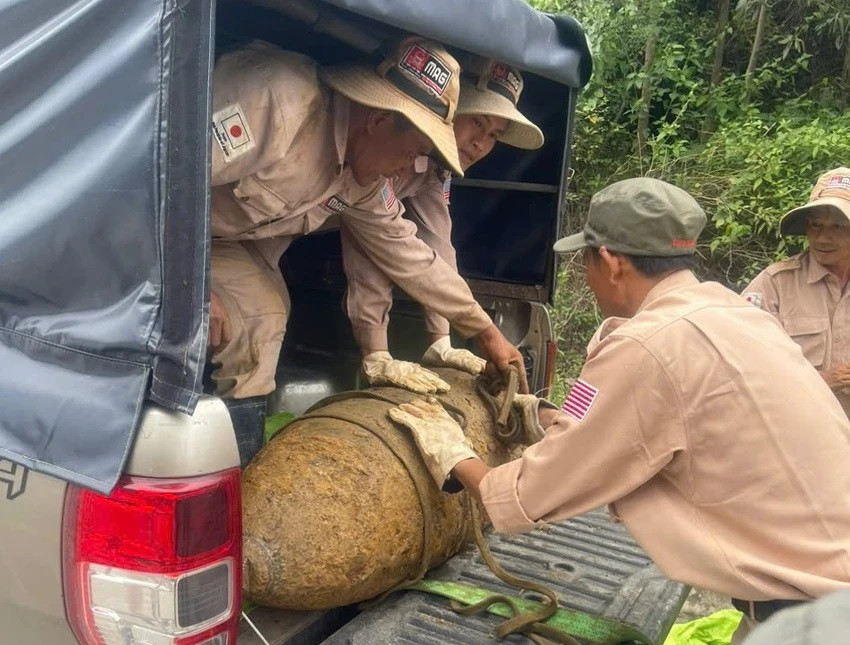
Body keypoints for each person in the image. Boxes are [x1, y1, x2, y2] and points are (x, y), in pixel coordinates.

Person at [387, 178, 850, 641]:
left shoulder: (646, 345)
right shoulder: (732, 312)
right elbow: (626, 419)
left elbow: (529, 496)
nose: (586, 278)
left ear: (608, 260)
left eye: (585, 262)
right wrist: (541, 416)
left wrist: (451, 452)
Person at [207, 37, 527, 462]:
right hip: (141, 230)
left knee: (264, 316)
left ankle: (235, 479)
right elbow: (147, 177)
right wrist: (186, 284)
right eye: (413, 151)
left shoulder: (365, 181)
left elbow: (412, 255)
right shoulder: (277, 102)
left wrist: (486, 332)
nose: (406, 169)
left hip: (221, 243)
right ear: (377, 121)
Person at [339, 55, 544, 394]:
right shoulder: (392, 144)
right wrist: (376, 351)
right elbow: (378, 245)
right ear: (448, 110)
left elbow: (438, 245)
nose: (481, 144)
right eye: (477, 122)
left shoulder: (436, 168)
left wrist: (442, 338)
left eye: (493, 134)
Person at [742, 167, 850, 417]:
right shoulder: (775, 284)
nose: (823, 237)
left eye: (838, 226)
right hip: (797, 434)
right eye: (815, 225)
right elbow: (739, 364)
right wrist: (823, 380)